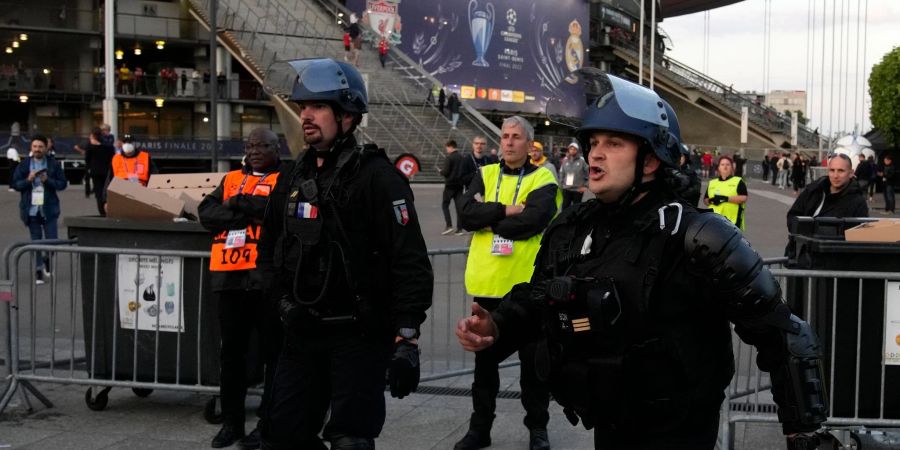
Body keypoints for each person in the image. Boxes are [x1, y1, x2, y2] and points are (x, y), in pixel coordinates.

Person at [455, 71, 827, 450]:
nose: (595, 153)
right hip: (609, 425)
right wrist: (497, 326)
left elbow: (784, 334)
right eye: (593, 142)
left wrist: (803, 433)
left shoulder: (700, 236)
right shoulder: (574, 227)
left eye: (613, 143)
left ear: (650, 160)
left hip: (681, 433)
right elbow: (537, 300)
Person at [256, 58, 433, 449]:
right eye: (303, 107)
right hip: (302, 330)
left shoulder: (379, 178)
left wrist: (407, 337)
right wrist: (281, 304)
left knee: (351, 438)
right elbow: (268, 247)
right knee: (281, 434)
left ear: (348, 115)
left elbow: (410, 260)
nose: (306, 115)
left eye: (317, 107)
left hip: (359, 334)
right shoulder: (293, 176)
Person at [454, 115, 560, 450]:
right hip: (487, 285)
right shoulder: (484, 173)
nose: (509, 142)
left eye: (516, 137)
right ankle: (479, 429)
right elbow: (466, 215)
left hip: (527, 288)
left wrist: (491, 219)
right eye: (505, 136)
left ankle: (537, 430)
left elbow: (533, 221)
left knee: (533, 367)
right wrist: (507, 210)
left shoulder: (544, 177)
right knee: (484, 367)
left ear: (530, 144)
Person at [199, 128, 284, 449]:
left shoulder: (284, 178)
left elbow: (274, 213)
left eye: (263, 145)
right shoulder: (231, 178)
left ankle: (267, 425)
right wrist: (241, 213)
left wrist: (241, 205)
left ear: (277, 149)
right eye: (250, 145)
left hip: (266, 280)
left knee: (272, 354)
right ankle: (232, 423)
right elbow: (206, 212)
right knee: (231, 355)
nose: (255, 150)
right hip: (229, 279)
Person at [12, 135, 67, 285]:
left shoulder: (53, 164)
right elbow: (15, 184)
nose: (37, 149)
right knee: (36, 242)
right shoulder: (24, 165)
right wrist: (27, 180)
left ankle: (46, 258)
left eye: (40, 147)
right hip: (31, 210)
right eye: (35, 146)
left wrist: (47, 180)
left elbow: (62, 184)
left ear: (46, 148)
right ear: (31, 147)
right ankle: (38, 271)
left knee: (53, 241)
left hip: (49, 209)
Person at [786, 153, 868, 231]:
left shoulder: (857, 202)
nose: (835, 176)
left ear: (851, 173)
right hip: (800, 244)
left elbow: (856, 236)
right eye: (832, 170)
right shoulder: (813, 189)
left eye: (841, 171)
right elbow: (792, 216)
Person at [704, 155, 748, 230]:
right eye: (722, 164)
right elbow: (706, 200)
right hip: (714, 221)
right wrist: (711, 200)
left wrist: (725, 199)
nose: (725, 167)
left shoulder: (738, 181)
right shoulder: (712, 183)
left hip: (733, 223)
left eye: (728, 164)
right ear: (719, 168)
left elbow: (743, 198)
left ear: (732, 168)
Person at [83, 128, 116, 216]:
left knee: (99, 193)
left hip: (95, 173)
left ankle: (102, 212)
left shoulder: (90, 148)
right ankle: (108, 208)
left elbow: (87, 161)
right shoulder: (108, 148)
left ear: (93, 137)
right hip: (106, 172)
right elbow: (112, 159)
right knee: (107, 191)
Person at [439, 140, 466, 235]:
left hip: (450, 185)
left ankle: (449, 225)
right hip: (459, 185)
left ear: (450, 147)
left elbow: (446, 172)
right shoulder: (462, 157)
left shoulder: (449, 158)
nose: (446, 150)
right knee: (459, 207)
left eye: (447, 148)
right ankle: (459, 229)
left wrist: (440, 171)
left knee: (445, 205)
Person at [558, 142, 588, 209]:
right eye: (571, 149)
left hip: (578, 190)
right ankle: (564, 219)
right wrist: (561, 185)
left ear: (577, 150)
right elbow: (561, 173)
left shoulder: (582, 161)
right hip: (566, 189)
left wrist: (586, 186)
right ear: (569, 150)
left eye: (574, 149)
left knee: (576, 209)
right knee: (565, 208)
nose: (572, 150)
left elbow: (588, 174)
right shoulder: (565, 160)